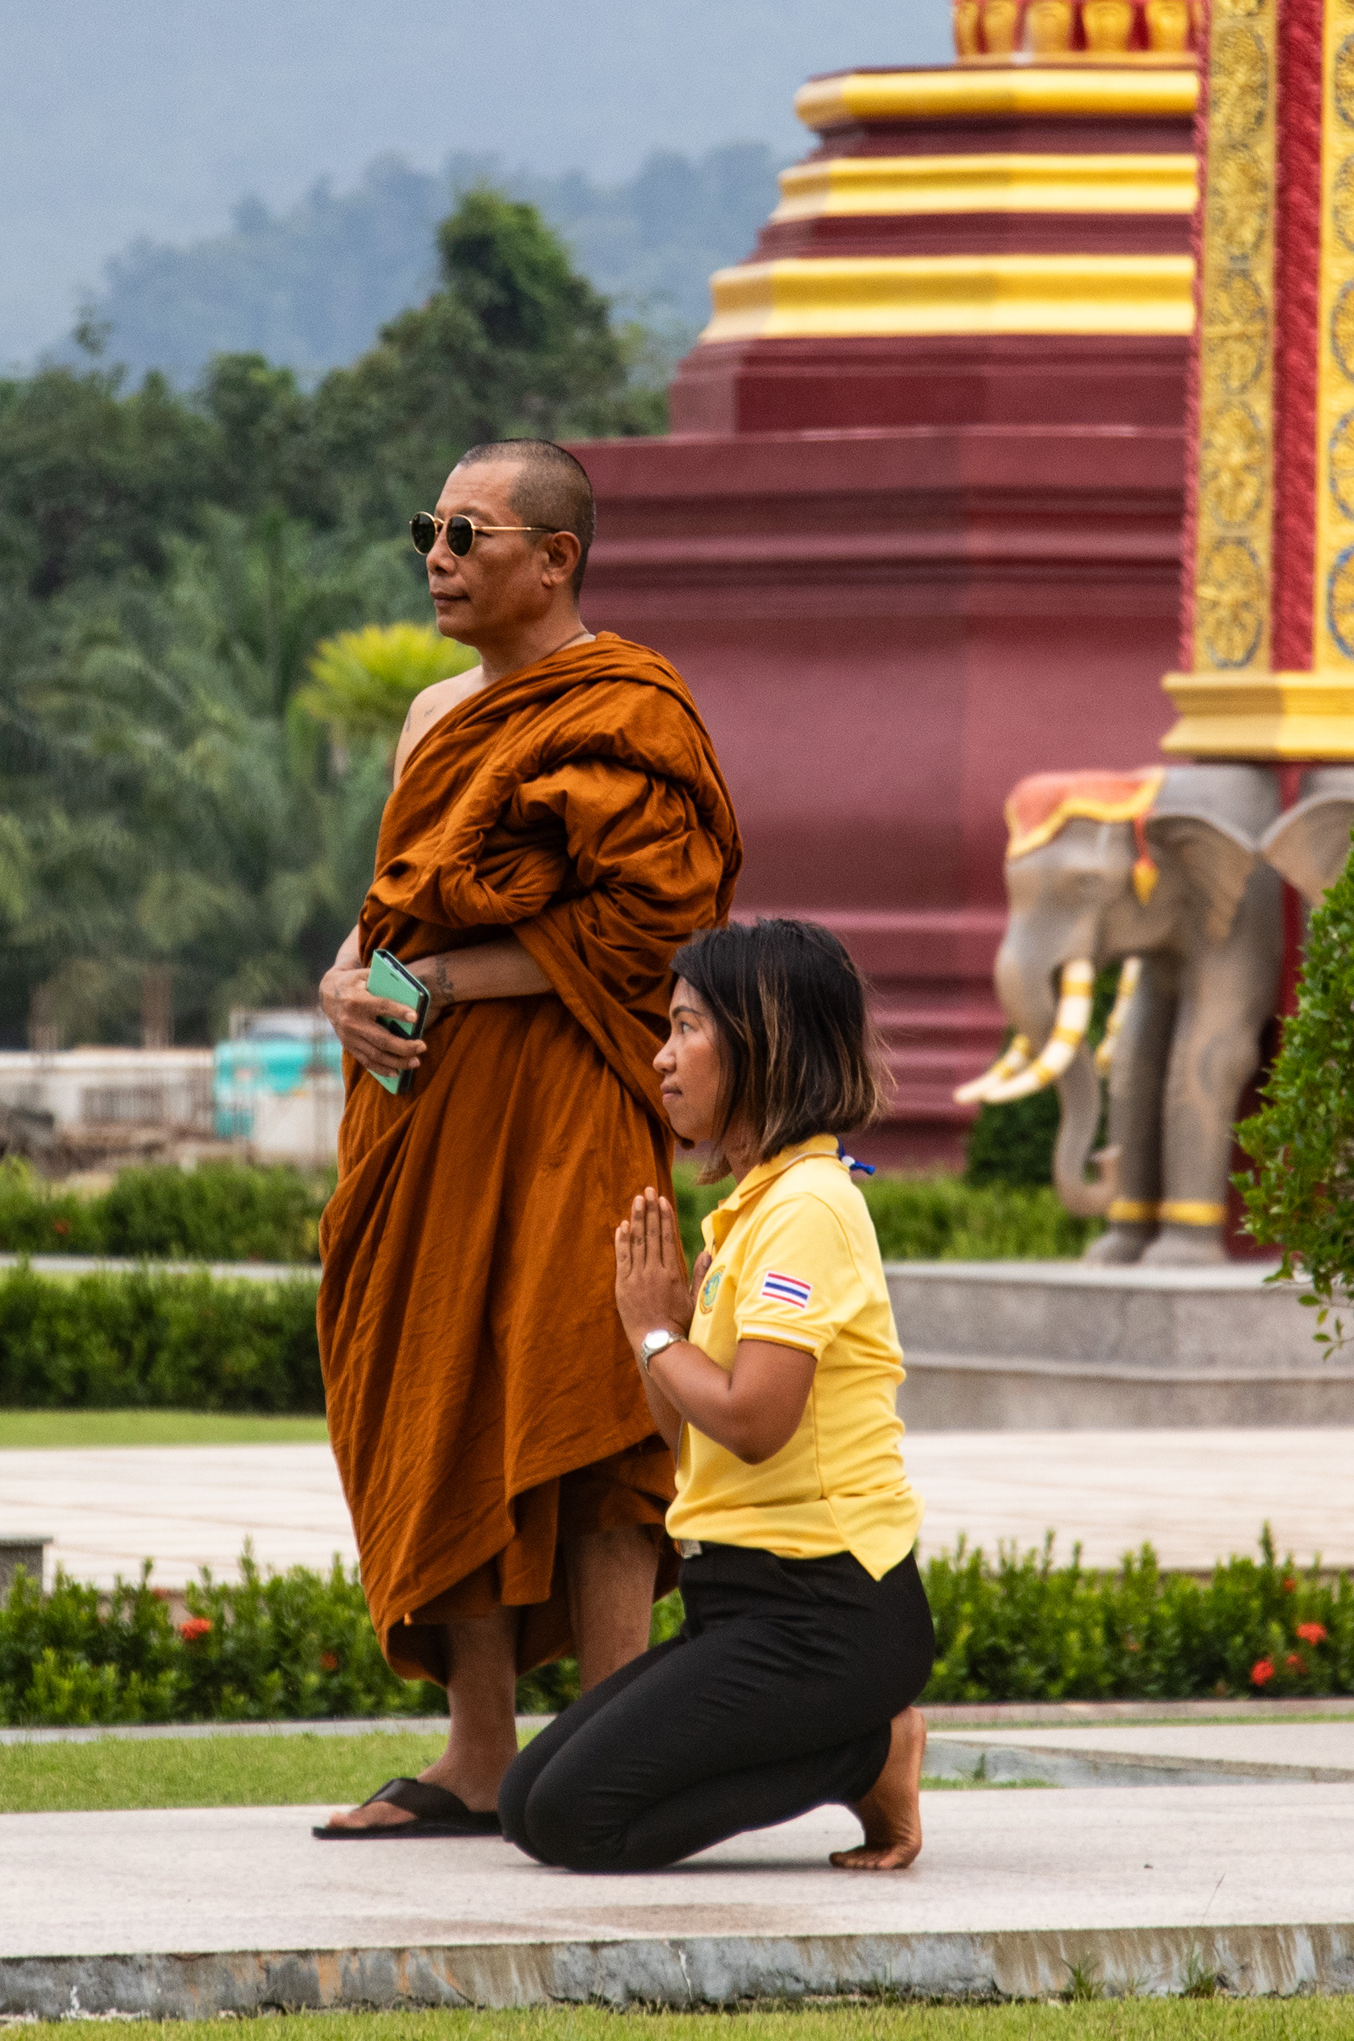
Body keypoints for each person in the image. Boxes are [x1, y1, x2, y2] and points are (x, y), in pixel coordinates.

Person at [311, 439, 742, 1840]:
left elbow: (651, 933)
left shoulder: (630, 708)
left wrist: (439, 979)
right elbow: (399, 910)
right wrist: (345, 976)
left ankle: (619, 1739)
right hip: (418, 1102)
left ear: (552, 561)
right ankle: (480, 1753)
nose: (435, 556)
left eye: (467, 534)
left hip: (570, 1089)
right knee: (435, 1386)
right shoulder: (435, 712)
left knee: (586, 1398)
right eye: (425, 527)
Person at [496, 917, 934, 1874]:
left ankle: (870, 1752)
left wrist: (655, 1330)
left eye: (688, 1027)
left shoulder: (811, 1207)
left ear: (764, 1044)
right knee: (526, 1803)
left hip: (830, 1615)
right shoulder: (750, 1211)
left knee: (581, 1822)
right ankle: (851, 1748)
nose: (662, 1057)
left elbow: (756, 1424)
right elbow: (688, 1428)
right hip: (737, 1601)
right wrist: (656, 1332)